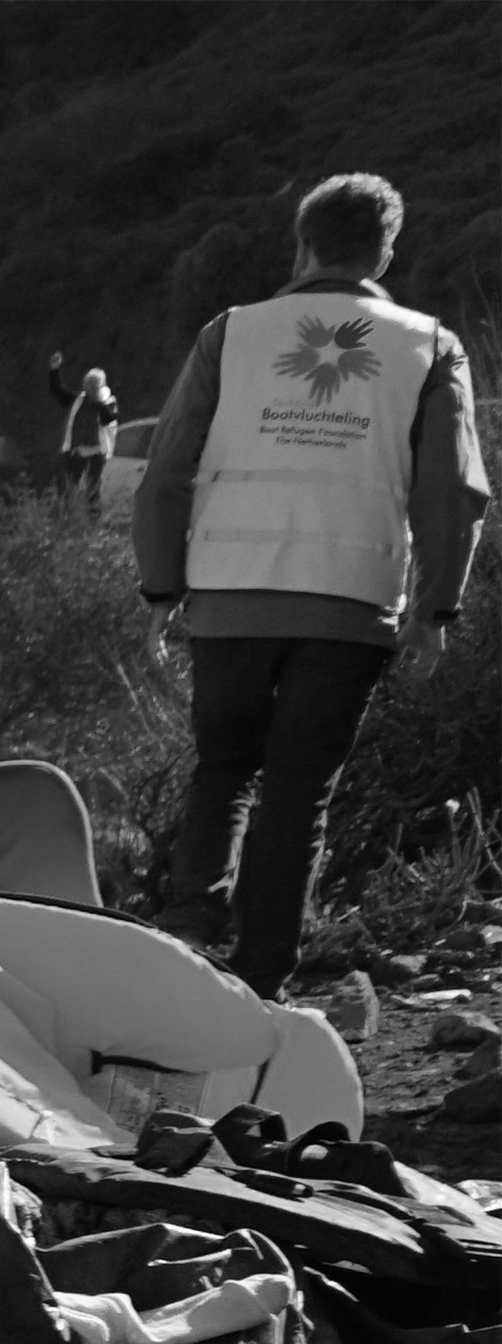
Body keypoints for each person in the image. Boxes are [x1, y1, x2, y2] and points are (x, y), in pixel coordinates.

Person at [134, 172, 490, 1003]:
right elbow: (456, 494)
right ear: (387, 250)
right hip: (350, 606)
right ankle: (260, 983)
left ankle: (189, 928)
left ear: (302, 245)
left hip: (226, 596)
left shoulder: (233, 334)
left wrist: (161, 588)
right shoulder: (430, 347)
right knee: (300, 791)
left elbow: (165, 475)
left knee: (224, 767)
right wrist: (437, 607)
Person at [48, 352, 119, 510]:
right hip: (75, 453)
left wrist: (98, 402)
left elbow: (110, 419)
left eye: (94, 385)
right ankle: (68, 520)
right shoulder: (77, 401)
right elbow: (57, 390)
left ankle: (92, 523)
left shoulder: (108, 404)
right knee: (67, 490)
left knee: (93, 492)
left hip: (95, 454)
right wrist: (54, 370)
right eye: (88, 384)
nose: (90, 388)